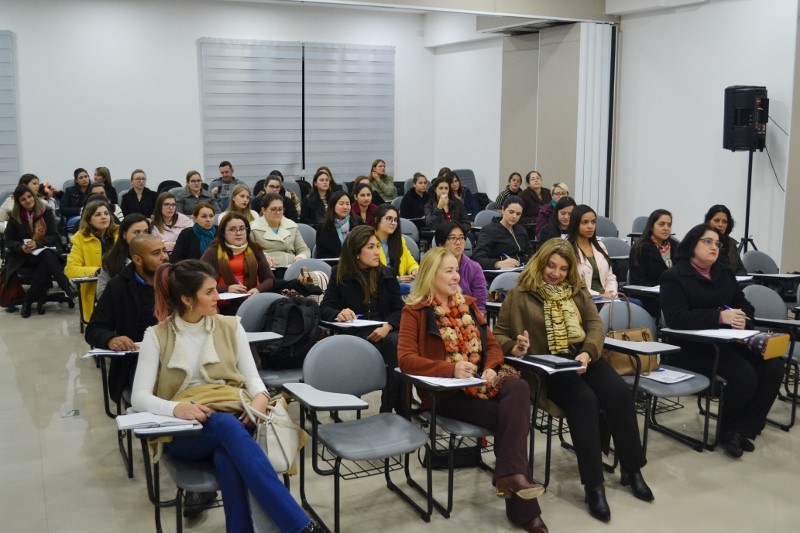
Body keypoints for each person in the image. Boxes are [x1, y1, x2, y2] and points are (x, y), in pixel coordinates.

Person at [130, 260, 319, 533]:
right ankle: (299, 526)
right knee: (227, 427)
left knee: (226, 457)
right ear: (186, 299)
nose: (217, 297)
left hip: (231, 417)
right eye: (209, 292)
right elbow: (139, 397)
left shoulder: (231, 326)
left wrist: (260, 398)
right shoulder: (156, 336)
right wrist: (176, 409)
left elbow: (253, 377)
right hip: (184, 430)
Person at [493, 238, 653, 522]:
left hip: (582, 358)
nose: (556, 273)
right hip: (547, 368)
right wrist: (514, 347)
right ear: (541, 263)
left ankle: (632, 469)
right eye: (551, 266)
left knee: (618, 393)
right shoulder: (520, 292)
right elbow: (500, 334)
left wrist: (588, 354)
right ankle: (594, 486)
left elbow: (594, 326)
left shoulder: (577, 290)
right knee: (585, 401)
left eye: (563, 268)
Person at [397, 247, 547, 533]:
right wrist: (449, 369)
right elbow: (405, 360)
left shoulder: (467, 304)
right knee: (515, 419)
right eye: (449, 271)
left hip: (479, 383)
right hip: (445, 394)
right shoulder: (414, 312)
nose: (456, 277)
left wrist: (491, 366)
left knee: (518, 387)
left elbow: (491, 345)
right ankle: (522, 507)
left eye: (457, 270)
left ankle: (510, 477)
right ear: (431, 275)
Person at [660, 224, 784, 458]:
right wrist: (718, 316)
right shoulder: (674, 277)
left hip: (729, 342)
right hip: (692, 347)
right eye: (707, 242)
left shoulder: (724, 272)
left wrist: (742, 319)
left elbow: (744, 305)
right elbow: (676, 319)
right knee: (744, 374)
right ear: (692, 244)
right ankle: (729, 431)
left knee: (774, 367)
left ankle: (742, 430)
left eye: (717, 243)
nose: (714, 247)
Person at [320, 225, 405, 414]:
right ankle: (398, 412)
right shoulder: (340, 273)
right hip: (355, 334)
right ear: (357, 252)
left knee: (396, 343)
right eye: (371, 247)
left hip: (383, 331)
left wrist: (388, 325)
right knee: (395, 348)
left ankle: (389, 407)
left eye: (377, 247)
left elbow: (400, 309)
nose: (377, 252)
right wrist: (339, 313)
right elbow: (324, 308)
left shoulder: (387, 274)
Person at [86, 234, 168, 409]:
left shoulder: (175, 280)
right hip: (139, 358)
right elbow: (94, 329)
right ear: (138, 259)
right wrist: (111, 339)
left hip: (176, 353)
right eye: (156, 253)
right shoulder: (118, 287)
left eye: (164, 250)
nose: (164, 256)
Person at [3, 185, 75, 317]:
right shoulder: (15, 217)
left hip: (46, 252)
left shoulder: (45, 211)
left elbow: (54, 236)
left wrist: (38, 243)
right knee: (47, 258)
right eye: (23, 199)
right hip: (24, 257)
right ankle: (65, 285)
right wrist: (20, 247)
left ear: (34, 196)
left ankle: (28, 300)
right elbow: (8, 240)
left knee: (46, 258)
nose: (28, 200)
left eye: (30, 196)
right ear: (19, 202)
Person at [200, 213, 274, 315]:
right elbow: (200, 282)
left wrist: (258, 289)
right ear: (223, 233)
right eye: (232, 229)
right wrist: (227, 288)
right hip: (224, 303)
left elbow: (270, 279)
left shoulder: (255, 249)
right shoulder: (212, 252)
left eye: (242, 228)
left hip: (253, 300)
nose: (238, 233)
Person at [65, 199, 119, 323]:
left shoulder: (119, 233)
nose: (104, 217)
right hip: (96, 287)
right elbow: (70, 269)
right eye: (98, 215)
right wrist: (99, 271)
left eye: (106, 213)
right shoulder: (80, 238)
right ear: (89, 219)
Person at [628, 209, 678, 315]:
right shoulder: (640, 248)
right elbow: (637, 281)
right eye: (661, 224)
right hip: (649, 297)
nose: (666, 228)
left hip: (675, 294)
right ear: (651, 226)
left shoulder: (676, 247)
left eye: (669, 225)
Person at [435, 221, 487, 313]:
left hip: (467, 317)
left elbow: (480, 306)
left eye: (461, 238)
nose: (458, 242)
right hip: (437, 312)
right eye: (453, 238)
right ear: (440, 243)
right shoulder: (432, 266)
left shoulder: (475, 268)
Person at [97, 214, 152, 299]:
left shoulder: (157, 257)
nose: (142, 236)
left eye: (146, 232)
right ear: (124, 234)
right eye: (136, 232)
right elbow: (101, 294)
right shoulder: (111, 260)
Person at [567, 205, 617, 298]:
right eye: (585, 222)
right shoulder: (568, 249)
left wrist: (612, 293)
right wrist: (600, 295)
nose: (590, 226)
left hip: (607, 298)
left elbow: (610, 276)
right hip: (586, 298)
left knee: (635, 304)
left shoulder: (600, 246)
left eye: (593, 222)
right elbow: (573, 283)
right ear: (575, 224)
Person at [250, 193, 311, 269]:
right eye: (273, 209)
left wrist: (300, 259)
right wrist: (263, 257)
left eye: (280, 209)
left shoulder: (291, 226)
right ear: (264, 210)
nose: (278, 212)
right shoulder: (253, 228)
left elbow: (304, 250)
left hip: (291, 267)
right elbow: (250, 252)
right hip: (267, 269)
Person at [473, 196, 531, 270]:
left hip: (522, 270)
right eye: (511, 212)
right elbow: (478, 258)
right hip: (500, 274)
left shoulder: (521, 230)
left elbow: (530, 253)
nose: (514, 216)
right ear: (503, 210)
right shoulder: (489, 230)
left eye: (518, 214)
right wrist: (497, 263)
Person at [373, 204, 418, 288]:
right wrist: (396, 279)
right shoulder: (370, 242)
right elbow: (372, 273)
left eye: (395, 220)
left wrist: (414, 271)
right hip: (379, 287)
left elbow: (411, 263)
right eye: (389, 219)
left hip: (400, 285)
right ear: (377, 220)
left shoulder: (400, 240)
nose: (393, 223)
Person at [314, 190, 365, 259]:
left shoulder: (358, 222)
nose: (345, 207)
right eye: (341, 204)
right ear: (333, 205)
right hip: (333, 265)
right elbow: (321, 255)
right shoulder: (323, 226)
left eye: (347, 204)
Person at [704, 204, 746, 275]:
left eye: (724, 221)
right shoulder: (701, 242)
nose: (720, 225)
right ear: (708, 222)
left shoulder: (731, 243)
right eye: (716, 220)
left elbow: (741, 269)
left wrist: (733, 278)